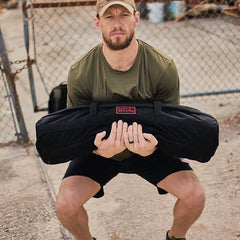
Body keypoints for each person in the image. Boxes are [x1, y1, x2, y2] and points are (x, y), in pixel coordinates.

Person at [55, 0, 205, 239]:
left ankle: (176, 237)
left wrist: (154, 147)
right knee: (65, 204)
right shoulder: (80, 71)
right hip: (100, 152)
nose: (117, 23)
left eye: (123, 15)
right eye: (109, 17)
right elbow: (77, 131)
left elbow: (170, 125)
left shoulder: (161, 66)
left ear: (136, 18)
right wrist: (97, 151)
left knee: (195, 195)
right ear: (97, 23)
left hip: (150, 149)